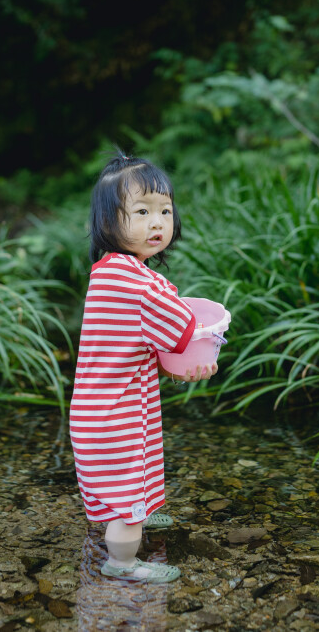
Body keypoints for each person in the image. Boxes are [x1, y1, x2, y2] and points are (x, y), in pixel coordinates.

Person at [69, 153, 217, 584]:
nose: (158, 222)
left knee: (137, 469)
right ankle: (121, 564)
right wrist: (198, 353)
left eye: (165, 211)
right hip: (114, 416)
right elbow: (182, 330)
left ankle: (135, 515)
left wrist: (173, 369)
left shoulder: (111, 272)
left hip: (107, 406)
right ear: (108, 223)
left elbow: (147, 348)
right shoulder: (135, 282)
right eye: (142, 211)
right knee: (127, 487)